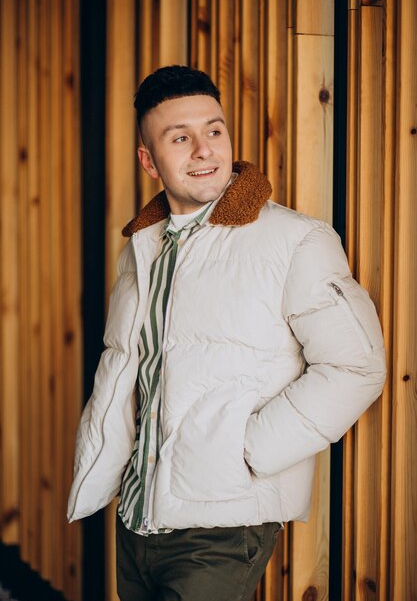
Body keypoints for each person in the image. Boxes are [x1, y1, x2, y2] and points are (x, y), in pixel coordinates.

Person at [68, 65, 386, 601]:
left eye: (214, 130)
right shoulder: (140, 252)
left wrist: (247, 451)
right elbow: (129, 373)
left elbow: (357, 367)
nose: (203, 150)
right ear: (149, 161)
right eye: (180, 137)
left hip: (222, 526)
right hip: (138, 520)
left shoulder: (295, 241)